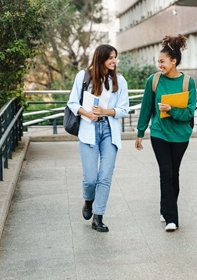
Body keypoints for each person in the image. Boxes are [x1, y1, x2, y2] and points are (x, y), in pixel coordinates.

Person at [135, 34, 197, 232]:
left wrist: (171, 109)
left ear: (174, 61)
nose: (159, 65)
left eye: (162, 61)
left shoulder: (188, 82)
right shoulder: (153, 81)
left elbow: (189, 112)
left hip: (180, 136)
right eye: (158, 61)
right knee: (166, 172)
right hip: (159, 133)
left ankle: (166, 208)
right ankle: (172, 218)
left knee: (174, 173)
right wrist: (140, 132)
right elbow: (146, 108)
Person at [67, 44, 129, 232]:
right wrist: (87, 114)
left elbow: (124, 109)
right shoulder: (83, 76)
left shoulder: (119, 80)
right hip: (88, 130)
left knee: (105, 177)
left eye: (115, 57)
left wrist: (105, 111)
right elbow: (72, 102)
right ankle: (88, 201)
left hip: (109, 130)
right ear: (100, 58)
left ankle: (98, 217)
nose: (113, 61)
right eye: (110, 57)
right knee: (90, 179)